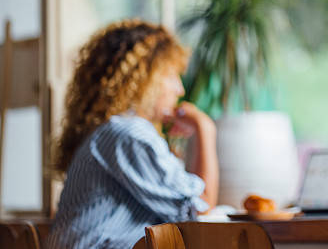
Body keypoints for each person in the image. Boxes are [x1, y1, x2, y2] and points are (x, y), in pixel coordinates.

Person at [46, 19, 219, 249]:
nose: (180, 89)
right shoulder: (128, 134)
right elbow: (202, 206)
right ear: (144, 79)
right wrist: (205, 129)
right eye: (170, 75)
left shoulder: (111, 133)